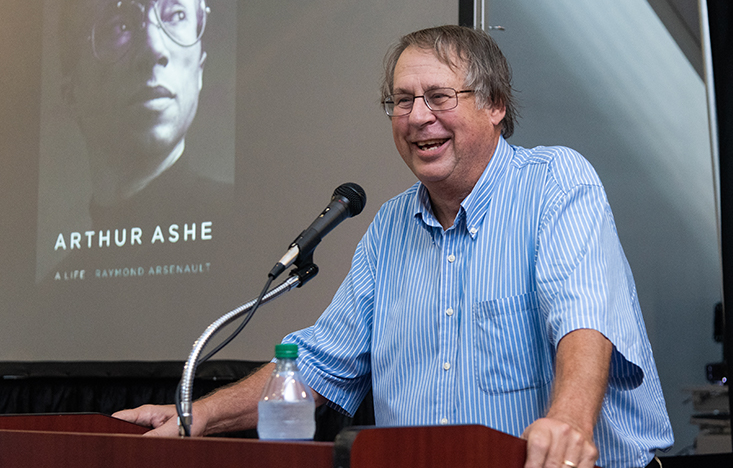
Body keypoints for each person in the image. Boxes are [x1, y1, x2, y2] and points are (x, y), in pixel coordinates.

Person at [114, 25, 673, 468]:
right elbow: (319, 366)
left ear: (496, 104)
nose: (418, 117)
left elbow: (584, 318)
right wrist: (196, 416)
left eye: (439, 96)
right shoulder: (388, 227)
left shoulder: (554, 181)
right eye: (402, 101)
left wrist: (568, 423)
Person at [42, 0, 232, 284]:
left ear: (200, 68)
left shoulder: (258, 235)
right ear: (71, 93)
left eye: (176, 14)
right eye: (119, 24)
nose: (154, 50)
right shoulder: (46, 298)